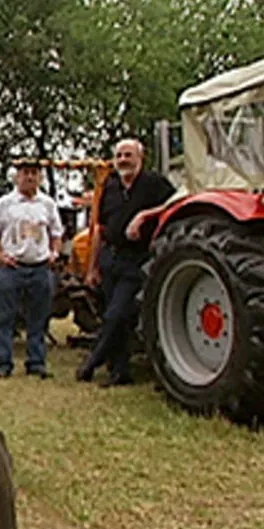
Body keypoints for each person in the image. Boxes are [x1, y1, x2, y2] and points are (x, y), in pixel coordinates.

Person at [77, 137, 178, 386]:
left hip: (137, 259)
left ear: (140, 158)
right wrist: (92, 268)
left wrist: (145, 215)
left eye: (128, 155)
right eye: (119, 155)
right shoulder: (110, 187)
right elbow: (99, 228)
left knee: (116, 314)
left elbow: (177, 204)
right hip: (110, 258)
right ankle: (121, 372)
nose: (123, 160)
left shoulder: (154, 184)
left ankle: (93, 361)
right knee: (116, 318)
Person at [0, 159, 64, 379]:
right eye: (25, 173)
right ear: (17, 177)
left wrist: (54, 253)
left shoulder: (47, 204)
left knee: (39, 318)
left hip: (40, 267)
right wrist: (0, 256)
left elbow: (57, 233)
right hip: (13, 268)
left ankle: (36, 362)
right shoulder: (5, 204)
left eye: (34, 173)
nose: (29, 177)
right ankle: (4, 363)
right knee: (5, 318)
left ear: (40, 177)